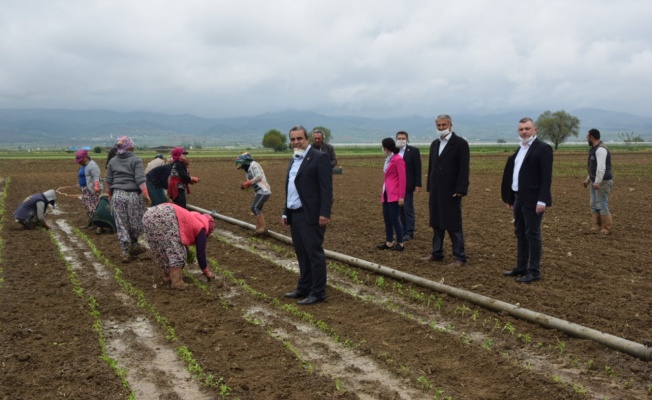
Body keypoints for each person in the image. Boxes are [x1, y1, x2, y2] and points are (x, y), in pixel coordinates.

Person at [282, 126, 333, 305]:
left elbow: (326, 189)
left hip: (311, 214)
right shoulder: (294, 159)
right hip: (295, 213)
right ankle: (303, 287)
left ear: (307, 139)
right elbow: (290, 187)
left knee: (314, 253)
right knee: (301, 252)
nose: (296, 142)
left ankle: (318, 291)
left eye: (299, 139)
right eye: (293, 139)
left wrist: (324, 213)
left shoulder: (319, 158)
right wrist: (285, 211)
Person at [501, 117, 553, 283]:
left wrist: (542, 200)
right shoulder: (520, 149)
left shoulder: (543, 148)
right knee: (520, 233)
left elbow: (546, 177)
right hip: (518, 198)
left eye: (527, 129)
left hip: (533, 200)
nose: (524, 132)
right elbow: (515, 175)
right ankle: (521, 267)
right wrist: (511, 197)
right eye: (521, 129)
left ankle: (534, 271)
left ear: (535, 130)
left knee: (532, 234)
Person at [422, 114, 470, 267]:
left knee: (453, 224)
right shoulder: (434, 144)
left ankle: (460, 257)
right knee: (436, 222)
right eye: (439, 125)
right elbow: (432, 167)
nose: (441, 128)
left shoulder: (460, 144)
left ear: (451, 125)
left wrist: (461, 188)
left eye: (444, 125)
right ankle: (437, 253)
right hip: (436, 190)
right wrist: (430, 185)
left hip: (452, 191)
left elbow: (464, 168)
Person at [143, 203, 216, 289]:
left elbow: (181, 236)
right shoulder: (201, 228)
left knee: (161, 249)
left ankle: (167, 277)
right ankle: (177, 282)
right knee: (178, 254)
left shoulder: (191, 217)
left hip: (148, 215)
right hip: (166, 216)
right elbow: (201, 254)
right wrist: (206, 271)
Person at [105, 136, 151, 263]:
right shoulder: (136, 160)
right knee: (135, 221)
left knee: (121, 223)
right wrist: (146, 194)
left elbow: (108, 180)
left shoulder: (113, 161)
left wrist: (109, 194)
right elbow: (140, 179)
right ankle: (134, 244)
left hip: (118, 195)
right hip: (133, 195)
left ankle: (125, 252)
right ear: (130, 147)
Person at [377, 138, 406, 251]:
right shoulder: (388, 159)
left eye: (382, 146)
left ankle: (400, 242)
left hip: (394, 194)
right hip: (386, 193)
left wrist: (401, 196)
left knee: (395, 219)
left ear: (386, 147)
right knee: (387, 218)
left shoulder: (398, 159)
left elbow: (402, 179)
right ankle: (389, 241)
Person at [583, 129, 613, 234]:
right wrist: (588, 179)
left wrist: (597, 181)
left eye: (587, 137)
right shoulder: (594, 149)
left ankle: (606, 227)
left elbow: (601, 167)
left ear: (591, 137)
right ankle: (596, 225)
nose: (587, 139)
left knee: (601, 203)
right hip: (594, 180)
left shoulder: (601, 150)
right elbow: (593, 168)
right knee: (594, 203)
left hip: (603, 181)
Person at [235, 152, 272, 236]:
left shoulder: (254, 165)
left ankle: (262, 228)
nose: (241, 167)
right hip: (259, 191)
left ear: (245, 161)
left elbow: (259, 177)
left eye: (241, 164)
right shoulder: (248, 170)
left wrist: (248, 183)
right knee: (257, 209)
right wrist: (246, 186)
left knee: (254, 207)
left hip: (263, 190)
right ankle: (258, 228)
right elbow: (252, 182)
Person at [396, 131, 422, 241]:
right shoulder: (394, 152)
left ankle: (409, 232)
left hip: (407, 184)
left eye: (403, 138)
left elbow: (418, 168)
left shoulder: (413, 151)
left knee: (407, 209)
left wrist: (418, 184)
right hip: (395, 185)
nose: (401, 140)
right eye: (399, 138)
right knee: (399, 210)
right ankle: (401, 230)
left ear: (407, 139)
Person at [75, 150, 103, 229]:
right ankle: (91, 222)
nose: (79, 162)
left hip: (92, 189)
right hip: (85, 189)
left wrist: (96, 187)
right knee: (87, 206)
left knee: (93, 206)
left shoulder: (92, 165)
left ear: (85, 158)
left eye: (81, 160)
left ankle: (96, 224)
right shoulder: (83, 166)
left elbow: (96, 177)